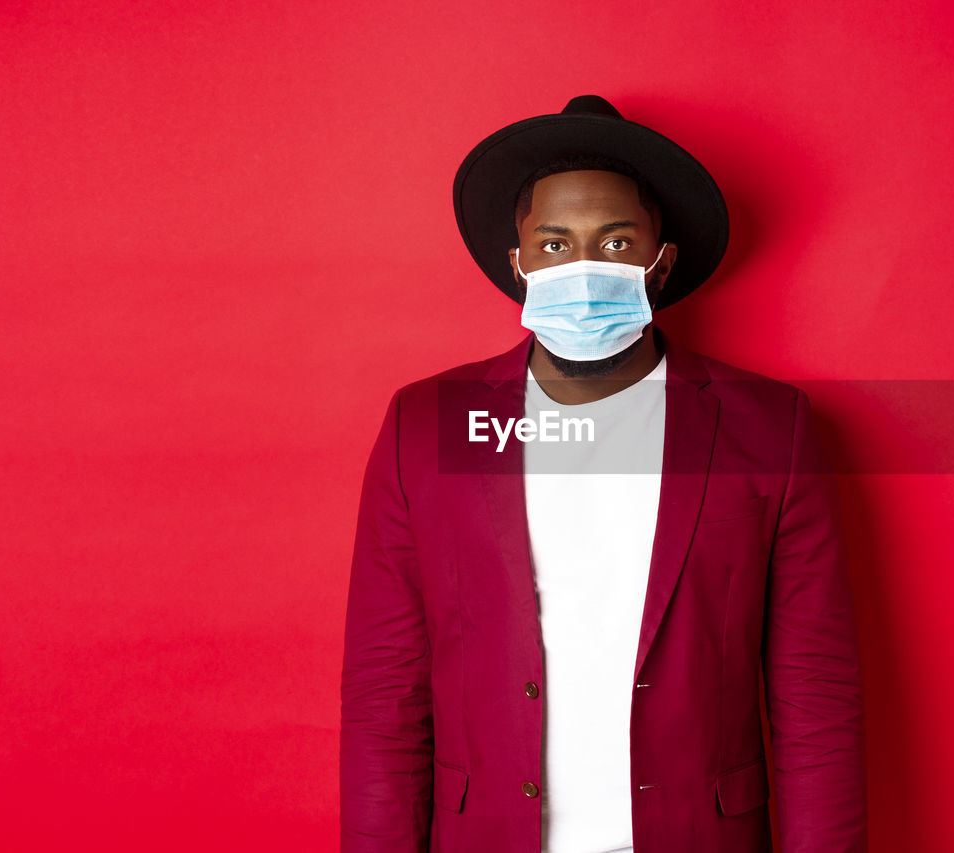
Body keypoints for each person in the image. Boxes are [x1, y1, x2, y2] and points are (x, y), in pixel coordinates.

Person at [340, 95, 866, 853]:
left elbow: (815, 698)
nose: (583, 266)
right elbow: (384, 692)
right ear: (517, 264)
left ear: (662, 263)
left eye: (615, 242)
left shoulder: (769, 429)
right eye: (555, 245)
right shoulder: (424, 428)